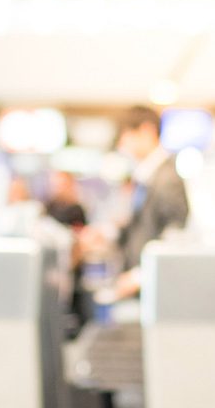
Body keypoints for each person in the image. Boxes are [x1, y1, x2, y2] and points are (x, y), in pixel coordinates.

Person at [81, 106, 189, 300]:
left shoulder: (167, 179)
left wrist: (140, 275)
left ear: (147, 131)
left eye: (126, 135)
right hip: (140, 281)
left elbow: (175, 236)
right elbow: (139, 223)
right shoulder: (147, 175)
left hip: (154, 286)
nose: (123, 145)